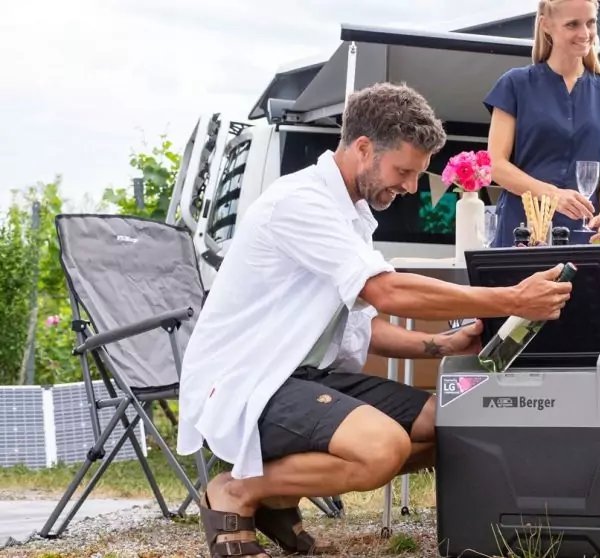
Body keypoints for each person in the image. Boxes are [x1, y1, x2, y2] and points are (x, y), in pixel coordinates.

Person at [176, 82, 573, 557]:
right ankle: (237, 491)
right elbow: (385, 290)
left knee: (453, 423)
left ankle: (278, 495)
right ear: (363, 148)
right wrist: (511, 298)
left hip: (302, 377)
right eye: (403, 170)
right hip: (248, 382)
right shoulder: (301, 204)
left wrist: (444, 345)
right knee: (382, 448)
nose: (410, 187)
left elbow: (363, 329)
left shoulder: (353, 216)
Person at [484, 0, 600, 247]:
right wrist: (553, 195)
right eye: (572, 25)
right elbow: (495, 165)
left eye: (591, 23)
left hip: (584, 232)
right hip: (521, 230)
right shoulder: (515, 84)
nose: (585, 33)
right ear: (546, 25)